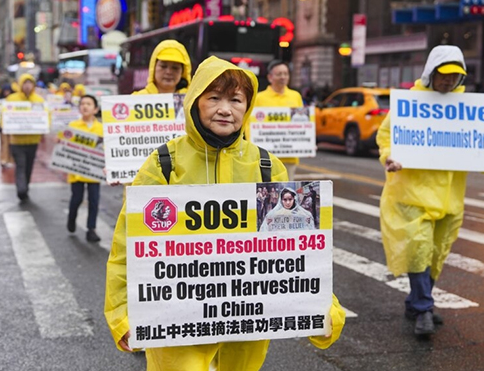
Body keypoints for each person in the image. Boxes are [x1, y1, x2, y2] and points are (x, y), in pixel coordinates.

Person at [105, 56, 345, 370]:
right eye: (214, 97)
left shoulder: (267, 165)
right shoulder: (164, 163)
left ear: (247, 107)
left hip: (248, 313)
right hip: (177, 311)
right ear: (195, 102)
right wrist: (123, 313)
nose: (224, 108)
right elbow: (127, 243)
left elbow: (296, 249)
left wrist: (323, 307)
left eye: (235, 99)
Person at [376, 45, 484, 337]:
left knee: (436, 254)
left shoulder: (466, 107)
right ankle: (423, 309)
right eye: (443, 75)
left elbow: (481, 142)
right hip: (412, 194)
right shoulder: (409, 101)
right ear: (431, 73)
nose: (448, 82)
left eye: (454, 77)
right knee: (419, 250)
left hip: (449, 198)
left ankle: (415, 303)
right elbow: (385, 136)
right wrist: (389, 157)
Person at [254, 60, 304, 179]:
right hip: (265, 157)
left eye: (286, 74)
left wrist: (307, 142)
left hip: (290, 156)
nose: (283, 77)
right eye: (279, 74)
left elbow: (302, 124)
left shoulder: (295, 96)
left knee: (287, 192)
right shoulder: (259, 98)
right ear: (270, 77)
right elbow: (250, 126)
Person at [66, 95, 103, 243]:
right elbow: (65, 147)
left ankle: (91, 229)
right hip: (77, 172)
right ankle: (71, 218)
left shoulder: (101, 128)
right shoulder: (73, 126)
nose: (85, 106)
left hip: (95, 172)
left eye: (88, 104)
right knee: (77, 198)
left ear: (95, 109)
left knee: (94, 200)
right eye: (82, 104)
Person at [4, 73, 46, 201]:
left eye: (30, 83)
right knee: (21, 165)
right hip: (16, 141)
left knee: (29, 166)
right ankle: (21, 189)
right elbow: (4, 116)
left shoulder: (39, 100)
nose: (27, 86)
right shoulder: (11, 99)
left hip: (33, 141)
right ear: (21, 85)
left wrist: (44, 128)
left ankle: (25, 186)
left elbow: (46, 116)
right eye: (25, 83)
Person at [0, 83, 15, 167]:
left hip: (11, 125)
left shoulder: (13, 100)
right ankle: (4, 159)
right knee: (4, 143)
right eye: (5, 91)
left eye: (8, 91)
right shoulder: (0, 101)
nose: (6, 93)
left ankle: (11, 160)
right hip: (2, 125)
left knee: (11, 143)